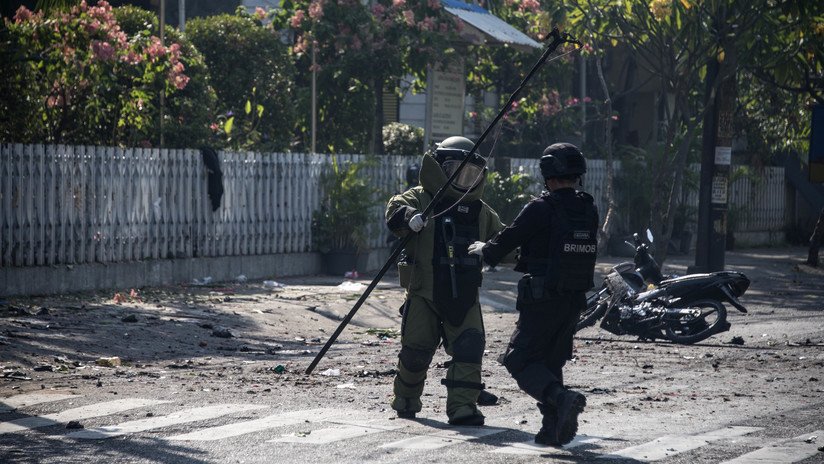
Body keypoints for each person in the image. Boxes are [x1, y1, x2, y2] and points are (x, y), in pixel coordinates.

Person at [467, 142, 599, 445]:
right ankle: (552, 428)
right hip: (573, 300)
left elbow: (508, 238)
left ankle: (561, 398)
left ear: (547, 172)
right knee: (550, 361)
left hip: (542, 298)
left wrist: (483, 250)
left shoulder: (541, 207)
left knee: (519, 360)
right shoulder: (588, 207)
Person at [385, 136, 504, 426]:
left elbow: (505, 241)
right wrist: (409, 217)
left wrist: (530, 252)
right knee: (415, 352)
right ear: (438, 168)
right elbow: (394, 210)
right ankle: (406, 400)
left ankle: (463, 408)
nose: (463, 180)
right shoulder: (420, 199)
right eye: (455, 170)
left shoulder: (482, 212)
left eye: (470, 174)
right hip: (423, 292)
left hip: (465, 295)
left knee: (469, 347)